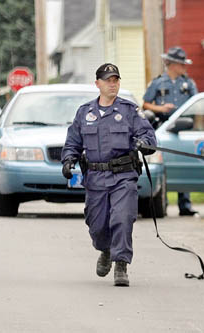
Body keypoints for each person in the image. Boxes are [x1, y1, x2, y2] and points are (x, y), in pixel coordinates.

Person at [61, 63, 156, 287]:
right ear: (98, 84)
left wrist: (145, 144)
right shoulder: (85, 113)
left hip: (123, 175)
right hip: (95, 177)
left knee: (122, 218)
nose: (112, 84)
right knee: (97, 224)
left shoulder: (129, 111)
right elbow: (73, 141)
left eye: (115, 80)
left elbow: (147, 134)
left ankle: (121, 263)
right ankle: (105, 250)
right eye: (108, 80)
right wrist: (68, 160)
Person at [142, 46, 198, 216]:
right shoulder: (158, 82)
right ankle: (162, 203)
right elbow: (145, 104)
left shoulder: (188, 84)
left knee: (184, 164)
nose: (184, 67)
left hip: (183, 128)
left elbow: (196, 103)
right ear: (172, 64)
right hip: (163, 127)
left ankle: (185, 205)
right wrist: (161, 108)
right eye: (182, 64)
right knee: (163, 164)